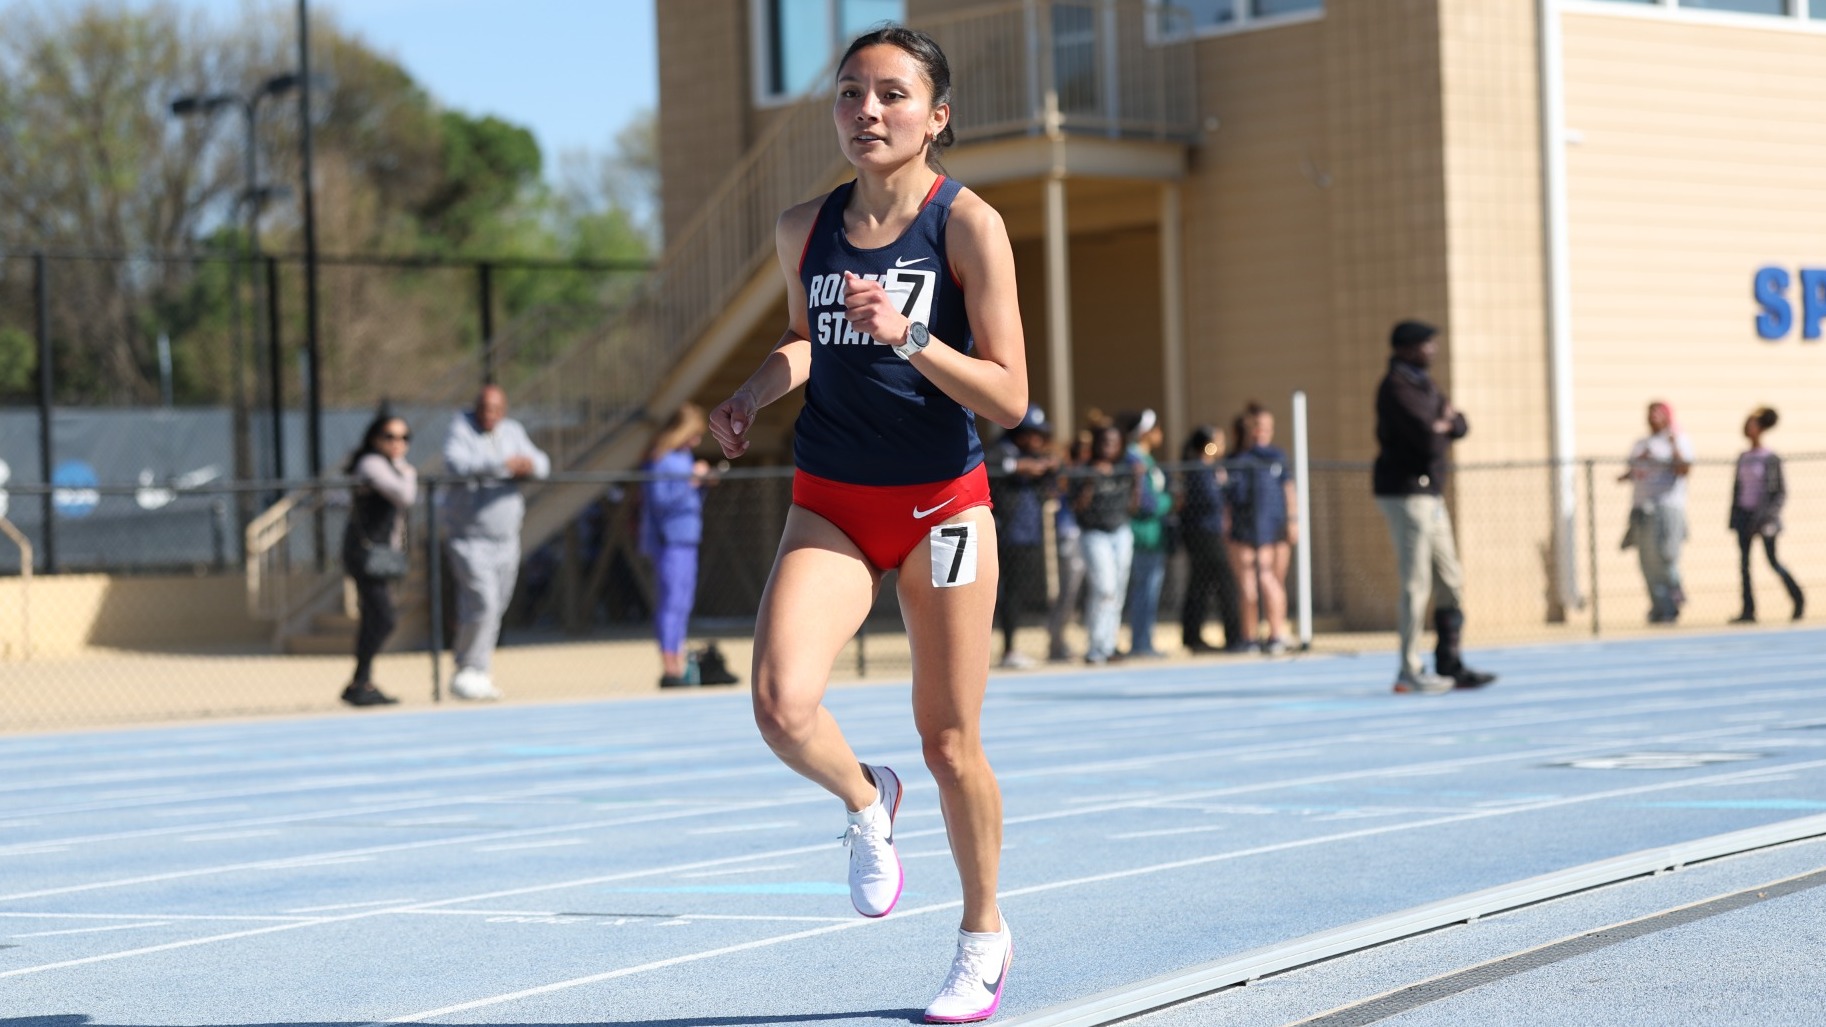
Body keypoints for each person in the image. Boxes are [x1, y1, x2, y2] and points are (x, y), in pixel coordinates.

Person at [704, 26, 1022, 1024]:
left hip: (943, 507)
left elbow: (1010, 396)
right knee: (779, 704)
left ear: (937, 116)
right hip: (832, 501)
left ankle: (981, 936)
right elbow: (809, 340)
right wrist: (752, 392)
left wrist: (911, 333)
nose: (867, 111)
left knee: (949, 739)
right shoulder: (803, 227)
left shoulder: (968, 225)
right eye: (850, 92)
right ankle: (863, 797)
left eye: (891, 94)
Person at [1373, 320, 1498, 694]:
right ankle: (1409, 670)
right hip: (1406, 493)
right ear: (1405, 348)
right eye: (1425, 344)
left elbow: (1458, 424)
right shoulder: (1395, 388)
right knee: (1416, 583)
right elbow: (1427, 440)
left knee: (1451, 578)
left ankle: (1449, 662)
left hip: (1431, 493)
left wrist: (1444, 424)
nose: (1432, 350)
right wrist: (1441, 426)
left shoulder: (1424, 385)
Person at [441, 384, 551, 701]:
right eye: (484, 408)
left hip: (506, 537)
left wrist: (529, 466)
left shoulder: (512, 431)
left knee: (495, 606)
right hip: (470, 537)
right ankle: (467, 667)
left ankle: (479, 670)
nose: (489, 415)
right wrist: (503, 465)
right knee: (483, 603)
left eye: (496, 409)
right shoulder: (461, 428)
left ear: (504, 410)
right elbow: (456, 464)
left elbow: (542, 463)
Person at [641, 403, 739, 688]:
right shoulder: (661, 460)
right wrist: (690, 482)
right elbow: (660, 502)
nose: (696, 441)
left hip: (688, 538)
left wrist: (702, 484)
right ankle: (669, 664)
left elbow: (689, 500)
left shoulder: (684, 458)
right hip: (669, 540)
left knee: (683, 603)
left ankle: (680, 660)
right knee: (671, 602)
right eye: (693, 434)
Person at [339, 411, 416, 708]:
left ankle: (361, 682)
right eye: (390, 436)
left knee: (374, 617)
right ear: (375, 439)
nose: (398, 443)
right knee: (384, 618)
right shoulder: (371, 464)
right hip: (363, 553)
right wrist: (407, 470)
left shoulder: (390, 466)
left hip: (379, 553)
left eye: (404, 438)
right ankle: (360, 680)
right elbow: (405, 495)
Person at [988, 404, 1056, 670]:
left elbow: (1050, 487)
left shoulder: (1034, 455)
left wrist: (1050, 467)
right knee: (1002, 593)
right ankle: (1007, 649)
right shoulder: (1001, 450)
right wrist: (1016, 466)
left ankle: (1011, 648)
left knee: (1017, 593)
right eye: (1032, 433)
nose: (1037, 440)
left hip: (1028, 534)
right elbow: (986, 465)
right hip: (1003, 533)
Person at [1225, 402, 1296, 655]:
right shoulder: (1236, 460)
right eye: (1257, 426)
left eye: (1267, 427)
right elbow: (1227, 498)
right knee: (1247, 587)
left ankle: (1277, 634)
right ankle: (1249, 637)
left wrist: (1293, 520)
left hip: (1272, 528)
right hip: (1244, 529)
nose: (1261, 431)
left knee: (1270, 579)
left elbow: (1289, 490)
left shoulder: (1276, 457)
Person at [1619, 400, 1695, 625]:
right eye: (1650, 413)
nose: (1653, 417)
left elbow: (1684, 469)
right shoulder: (1641, 443)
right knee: (1647, 561)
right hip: (1642, 507)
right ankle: (1661, 608)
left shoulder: (1678, 440)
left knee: (1666, 557)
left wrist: (1673, 444)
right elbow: (1633, 472)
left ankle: (1676, 595)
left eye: (1658, 413)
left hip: (1667, 506)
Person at [1729, 406, 1805, 624]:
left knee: (1773, 561)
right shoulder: (1744, 457)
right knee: (1744, 566)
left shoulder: (1770, 458)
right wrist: (1735, 517)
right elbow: (1738, 490)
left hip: (1764, 519)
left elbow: (1779, 493)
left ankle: (1798, 599)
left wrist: (1766, 517)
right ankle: (1748, 610)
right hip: (1744, 517)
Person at [1073, 423, 1140, 666]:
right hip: (1094, 533)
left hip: (1121, 531)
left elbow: (1134, 506)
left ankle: (1108, 644)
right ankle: (1095, 647)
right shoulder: (1083, 470)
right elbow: (1077, 507)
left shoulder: (1125, 469)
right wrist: (1091, 481)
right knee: (1104, 588)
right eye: (1105, 442)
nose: (1109, 447)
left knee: (1118, 591)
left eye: (1114, 443)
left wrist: (1139, 479)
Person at [1177, 425, 1243, 653]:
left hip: (1213, 532)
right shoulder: (1199, 470)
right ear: (1207, 445)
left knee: (1201, 585)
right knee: (1224, 583)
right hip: (1204, 534)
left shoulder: (1213, 469)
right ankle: (1233, 637)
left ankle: (1193, 636)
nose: (1221, 446)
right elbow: (1211, 500)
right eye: (1217, 442)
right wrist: (1223, 486)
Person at [1117, 409, 1172, 658]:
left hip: (1154, 534)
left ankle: (1144, 641)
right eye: (1156, 428)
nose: (1160, 433)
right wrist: (1170, 501)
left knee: (1149, 591)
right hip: (1142, 534)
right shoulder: (1133, 458)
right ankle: (1140, 643)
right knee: (1144, 591)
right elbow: (1147, 503)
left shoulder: (1146, 459)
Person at [1045, 427, 1093, 663]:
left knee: (1087, 591)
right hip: (1069, 531)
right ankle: (1056, 642)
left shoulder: (1084, 470)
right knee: (1069, 590)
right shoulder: (1067, 472)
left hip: (1086, 531)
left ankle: (1082, 639)